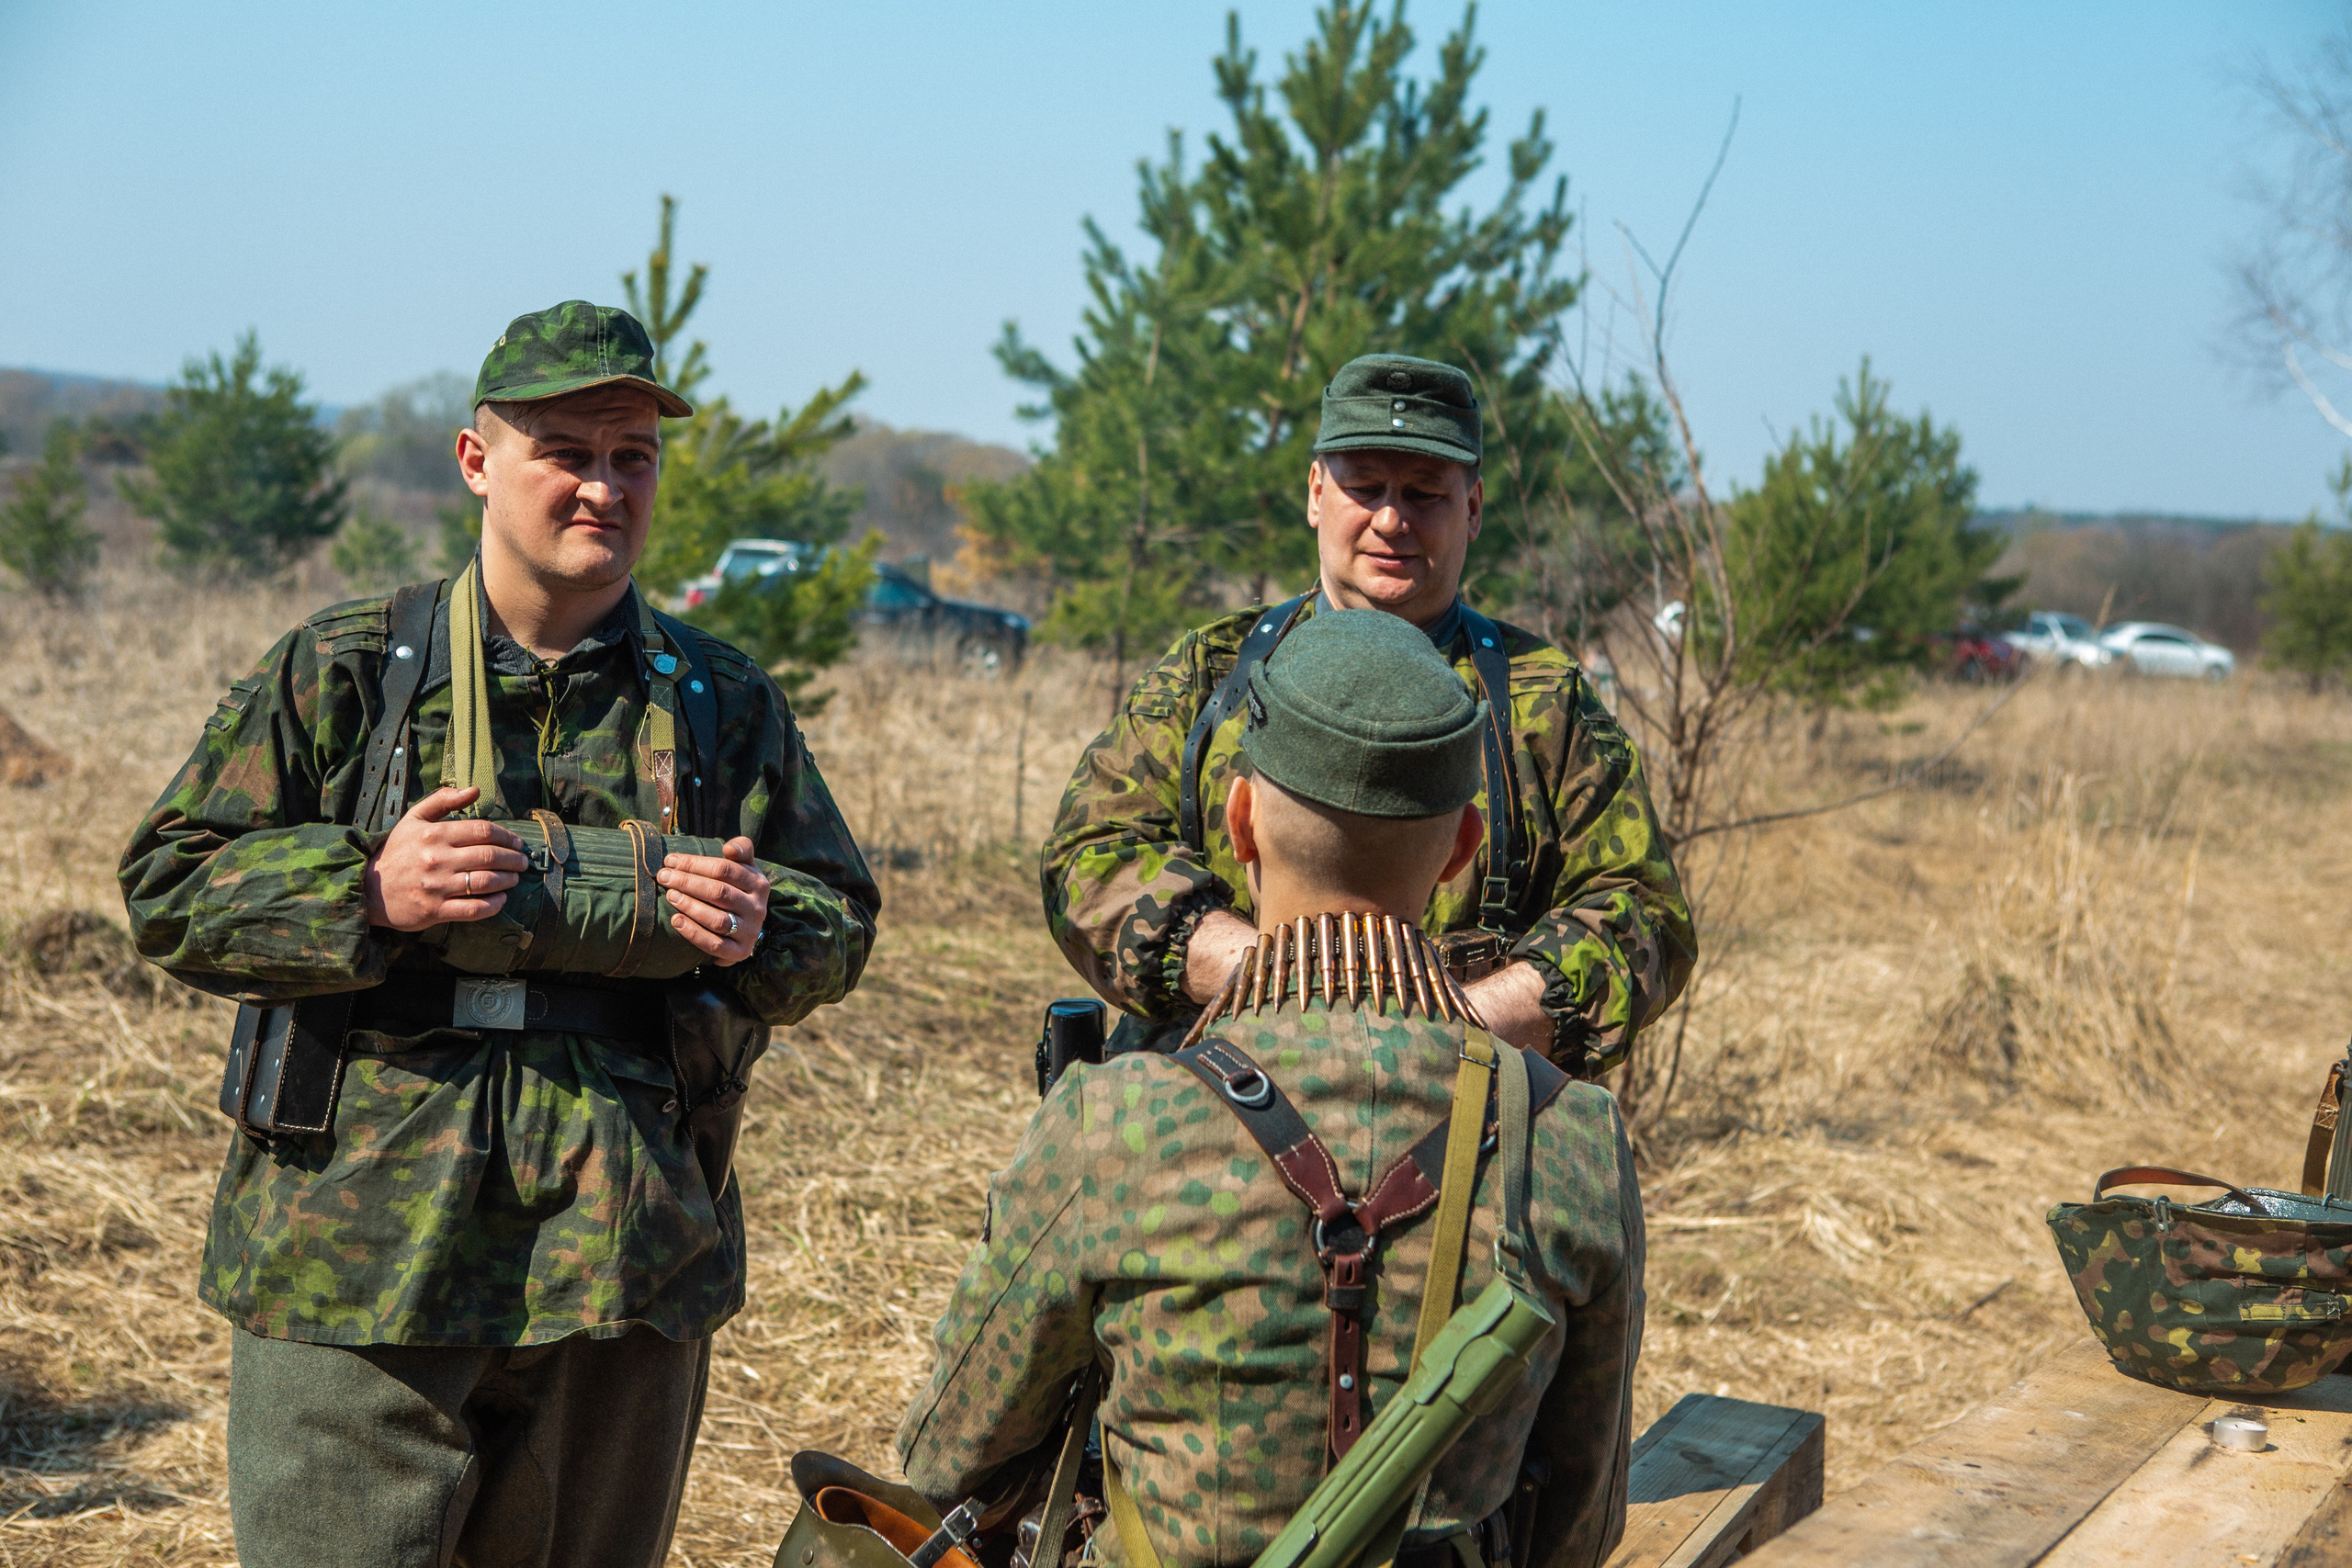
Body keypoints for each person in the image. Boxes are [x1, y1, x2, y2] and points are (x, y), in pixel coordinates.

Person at [118, 300, 879, 1568]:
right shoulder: (349, 672)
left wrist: (753, 924)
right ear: (478, 461)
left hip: (623, 1260)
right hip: (359, 1263)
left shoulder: (720, 701)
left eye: (631, 454)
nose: (602, 486)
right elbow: (169, 883)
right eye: (566, 452)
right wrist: (365, 887)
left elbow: (839, 919)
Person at [899, 609, 1644, 1568]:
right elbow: (1581, 1519)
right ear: (1461, 845)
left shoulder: (1113, 1121)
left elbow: (944, 1457)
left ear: (1240, 823)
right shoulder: (1569, 1132)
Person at [1044, 354, 1694, 1075]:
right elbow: (1089, 853)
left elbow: (1647, 914)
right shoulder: (1214, 673)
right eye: (1365, 487)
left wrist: (1470, 1017)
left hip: (1460, 1112)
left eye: (1425, 494)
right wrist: (1258, 975)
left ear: (1473, 508)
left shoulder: (1545, 705)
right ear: (1317, 492)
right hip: (1212, 1111)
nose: (1392, 519)